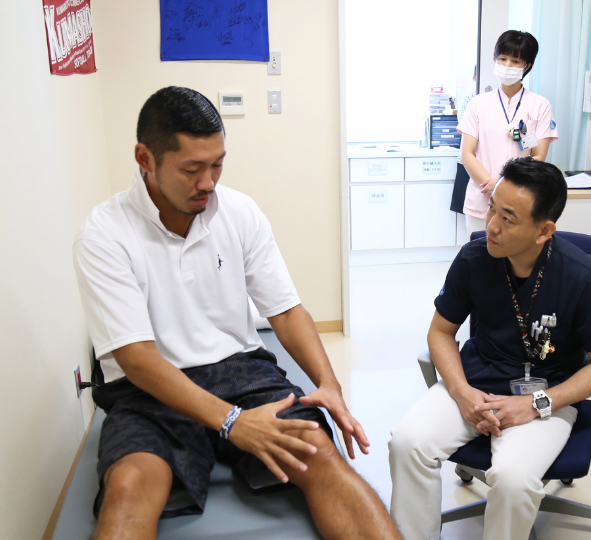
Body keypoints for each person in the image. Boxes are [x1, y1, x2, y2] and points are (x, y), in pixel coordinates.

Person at [73, 86, 399, 540]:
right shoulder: (104, 234)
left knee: (318, 451)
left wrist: (329, 384)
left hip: (240, 374)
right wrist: (232, 422)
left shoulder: (239, 212)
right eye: (192, 169)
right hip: (149, 389)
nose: (208, 182)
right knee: (128, 486)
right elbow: (137, 360)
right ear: (145, 158)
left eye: (217, 164)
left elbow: (286, 312)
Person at [389, 157, 591, 540]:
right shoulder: (474, 259)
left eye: (508, 219)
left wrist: (535, 404)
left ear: (544, 231)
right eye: (492, 209)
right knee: (407, 444)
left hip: (547, 398)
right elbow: (441, 332)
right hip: (476, 383)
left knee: (513, 480)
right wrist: (462, 393)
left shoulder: (582, 279)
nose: (491, 226)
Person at [458, 30, 558, 236]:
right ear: (495, 59)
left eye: (515, 61)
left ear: (527, 65)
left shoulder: (540, 105)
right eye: (503, 59)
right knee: (477, 253)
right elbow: (467, 153)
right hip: (481, 196)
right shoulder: (478, 104)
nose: (507, 66)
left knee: (513, 254)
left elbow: (538, 156)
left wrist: (504, 186)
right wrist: (492, 185)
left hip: (518, 200)